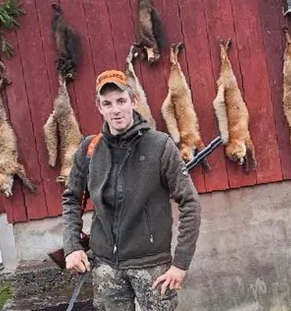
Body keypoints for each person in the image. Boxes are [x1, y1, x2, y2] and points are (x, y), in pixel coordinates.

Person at [62, 69, 202, 311]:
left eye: (121, 101)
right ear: (99, 108)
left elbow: (190, 203)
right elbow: (72, 199)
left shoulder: (160, 146)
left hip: (152, 266)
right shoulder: (89, 149)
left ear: (133, 101)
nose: (116, 110)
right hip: (106, 267)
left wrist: (180, 264)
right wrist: (71, 247)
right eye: (107, 104)